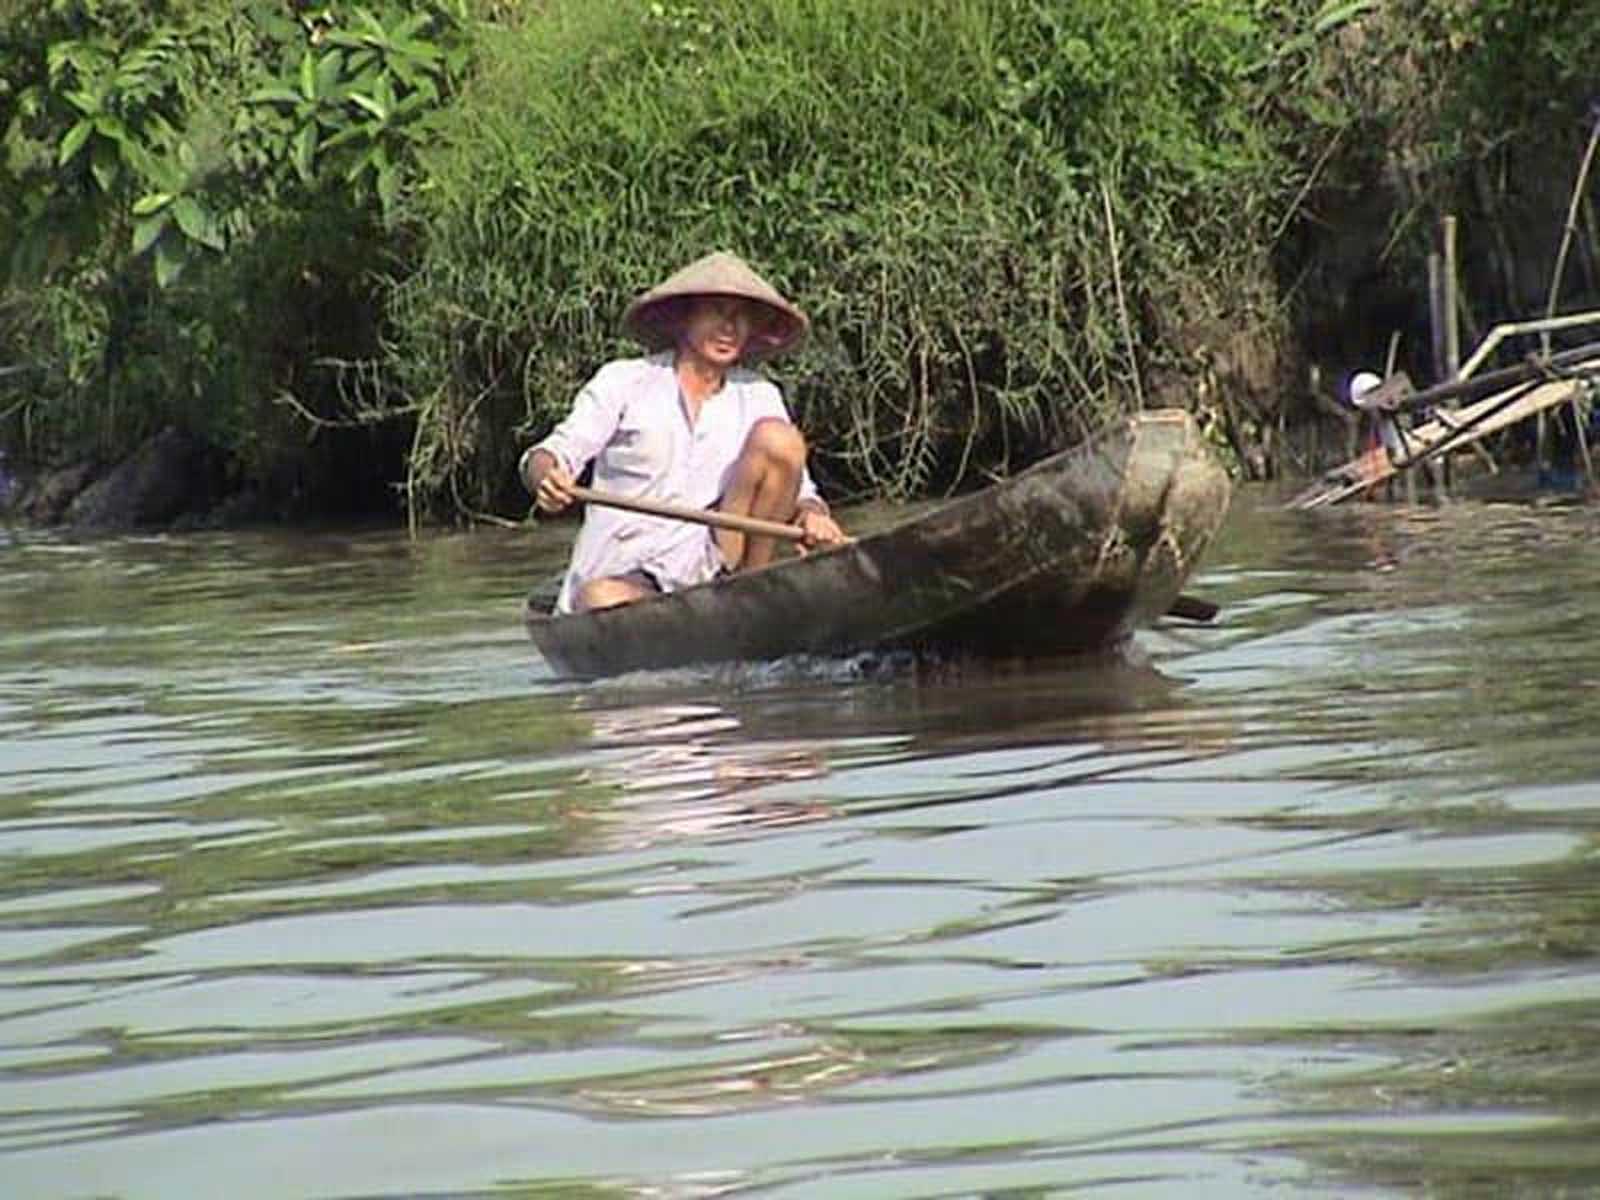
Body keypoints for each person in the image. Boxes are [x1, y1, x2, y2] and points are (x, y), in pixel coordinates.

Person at [519, 251, 847, 613]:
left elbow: (802, 492)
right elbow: (552, 453)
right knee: (601, 598)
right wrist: (547, 477)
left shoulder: (759, 395)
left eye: (740, 317)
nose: (729, 328)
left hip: (712, 568)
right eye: (716, 312)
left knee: (779, 439)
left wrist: (814, 516)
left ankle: (753, 594)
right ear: (683, 319)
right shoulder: (624, 380)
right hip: (621, 572)